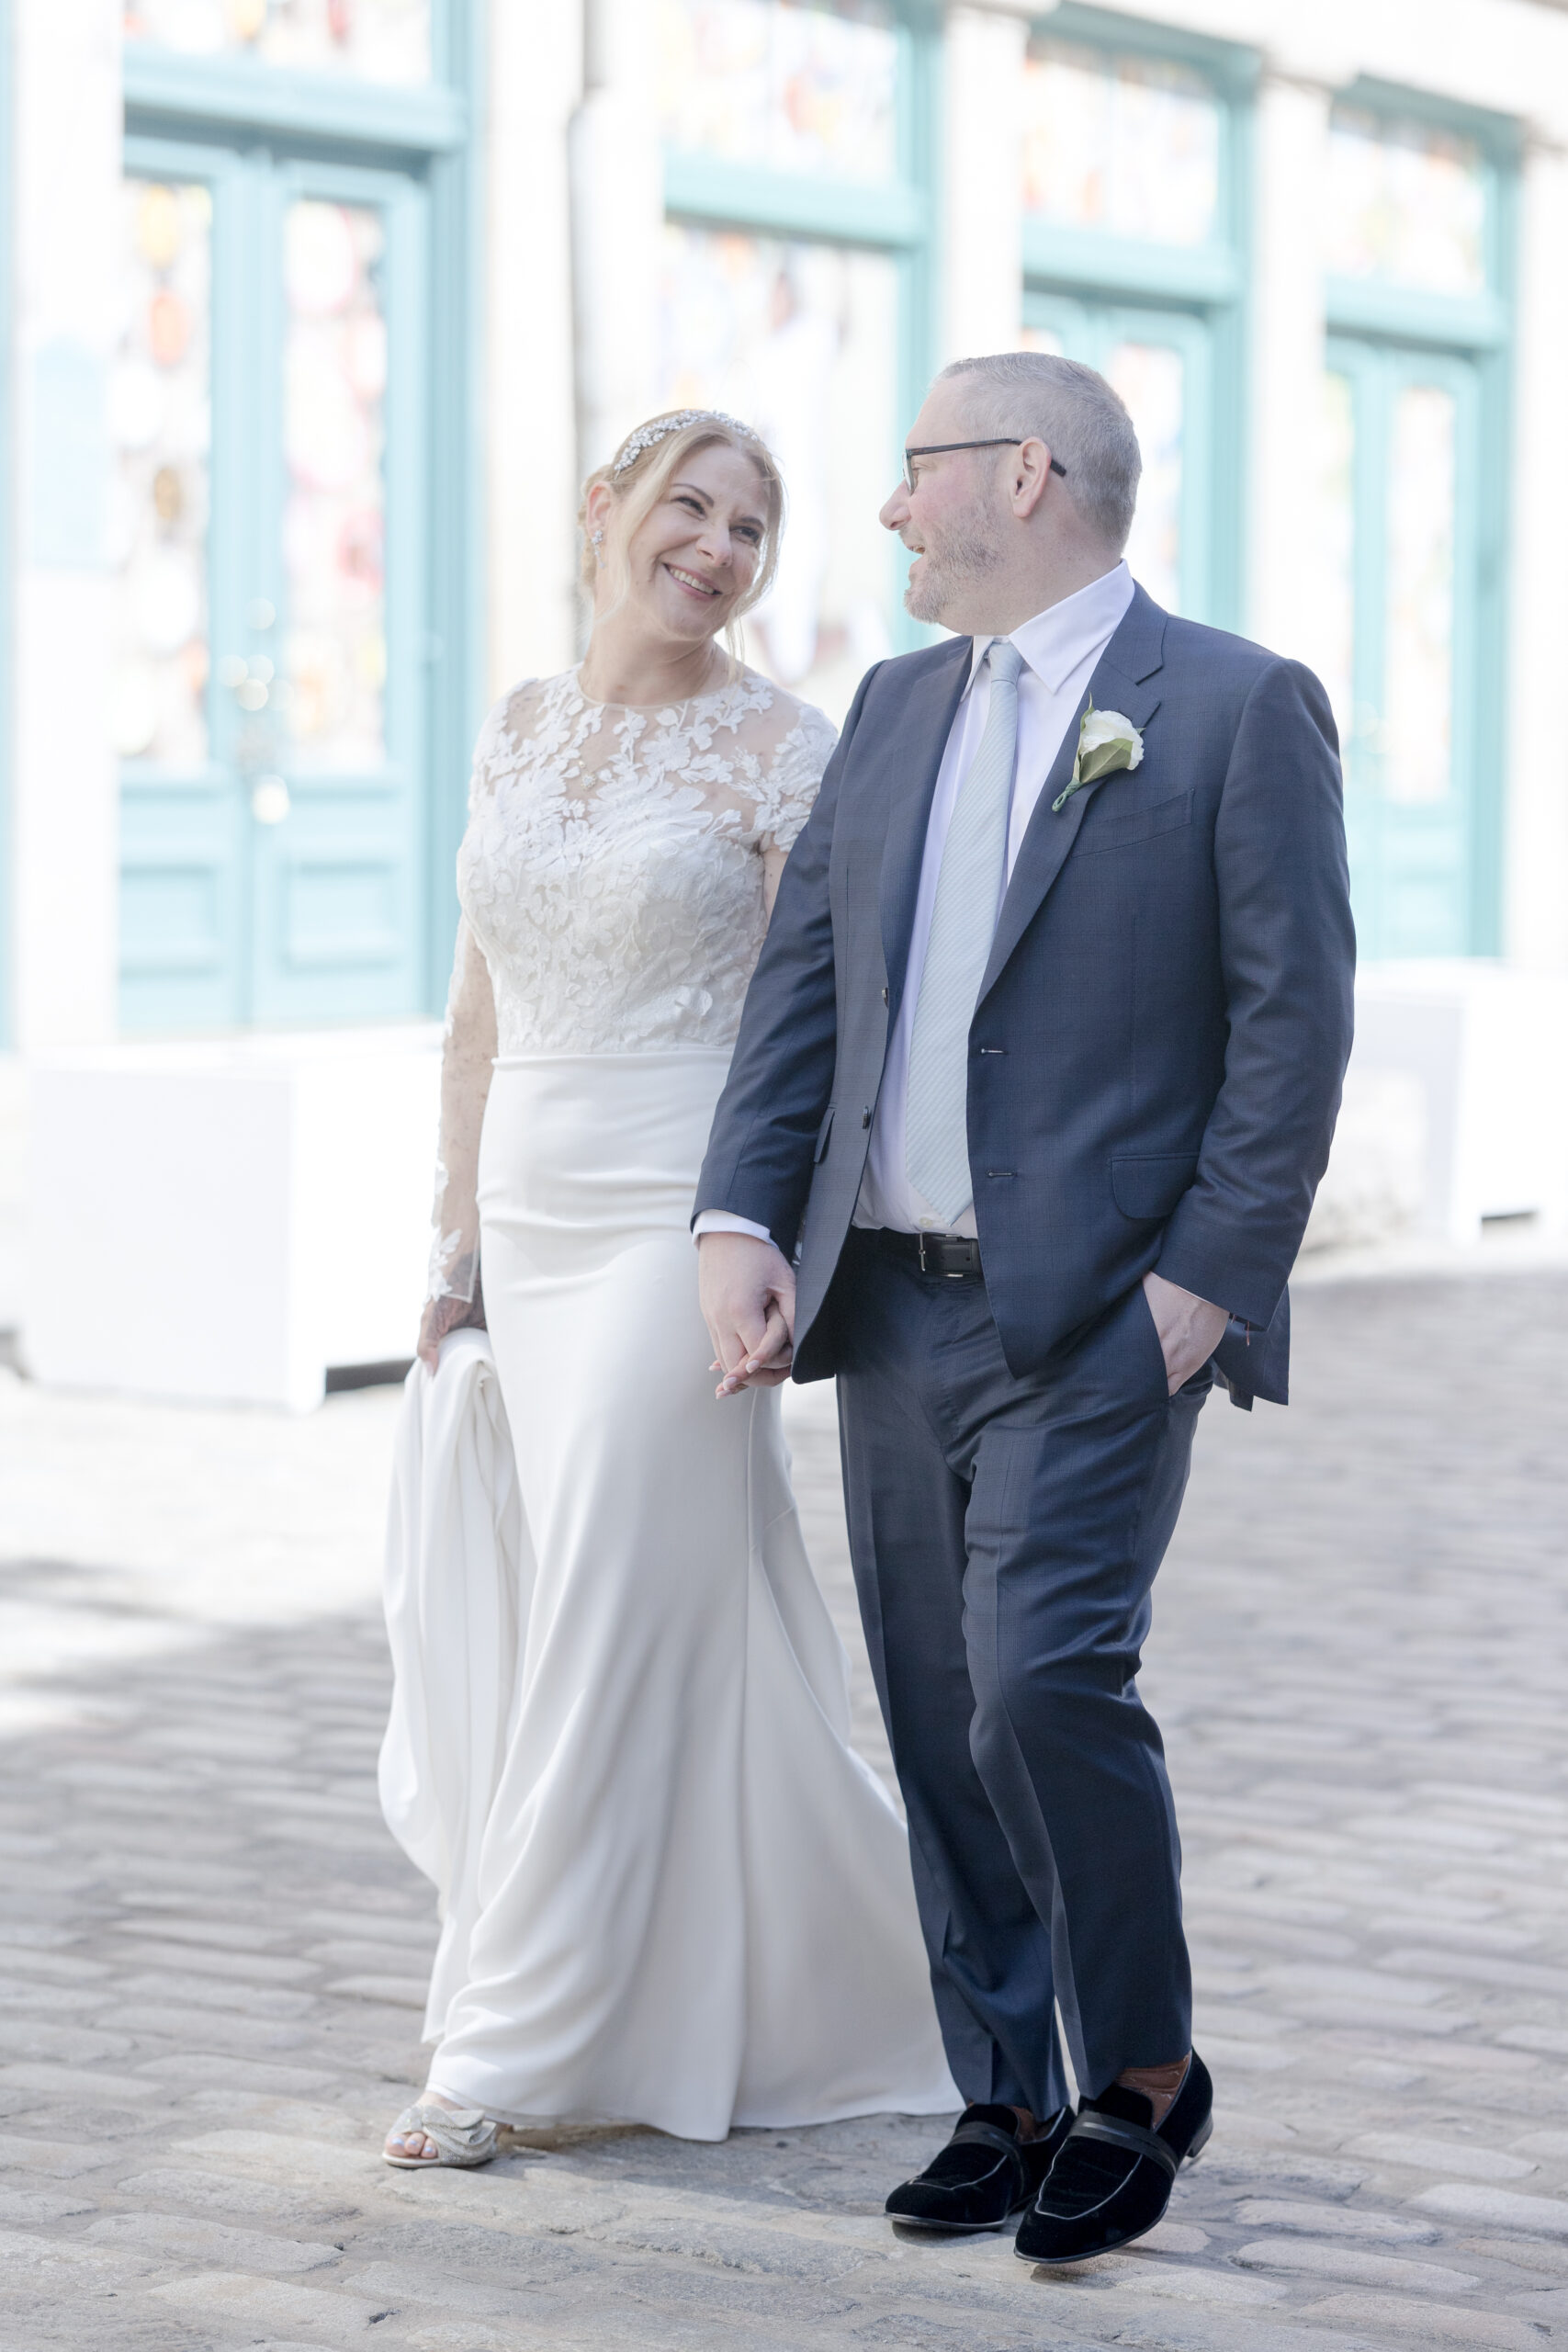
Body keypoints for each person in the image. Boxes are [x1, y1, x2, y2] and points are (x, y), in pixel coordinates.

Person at [695, 352, 1355, 2260]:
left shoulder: (1229, 705)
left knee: (1041, 1681)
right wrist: (742, 1210)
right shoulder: (894, 707)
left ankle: (1138, 2074)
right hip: (889, 1305)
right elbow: (800, 989)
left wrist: (1207, 1285)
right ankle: (1000, 2080)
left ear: (1021, 472)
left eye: (911, 474)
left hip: (1094, 1314)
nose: (889, 511)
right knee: (927, 1704)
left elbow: (1287, 1027)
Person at [378, 408, 956, 2168]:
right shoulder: (517, 726)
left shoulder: (790, 749)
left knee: (614, 1609)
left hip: (677, 1224)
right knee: (612, 1614)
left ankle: (511, 2043)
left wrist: (764, 1238)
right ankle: (867, 1977)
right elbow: (475, 1013)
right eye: (689, 508)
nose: (716, 548)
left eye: (754, 529)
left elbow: (815, 1030)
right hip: (533, 1226)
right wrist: (453, 1247)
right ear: (603, 508)